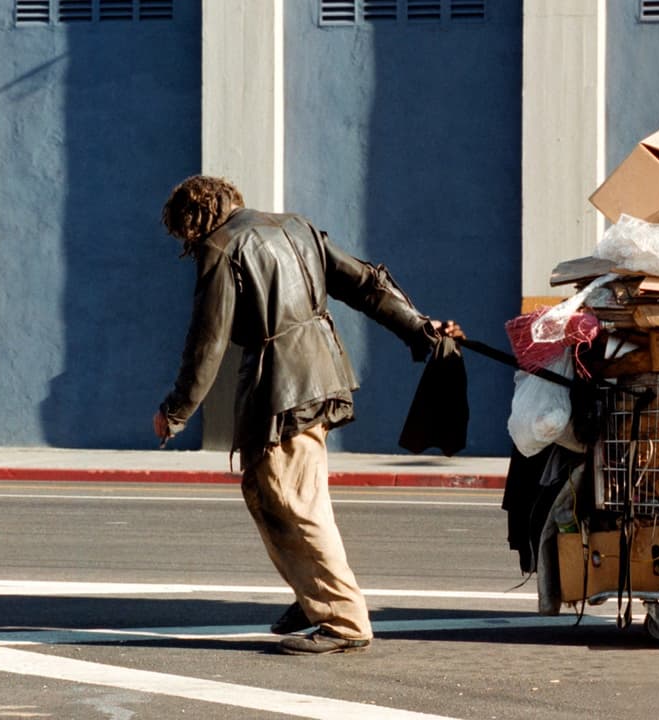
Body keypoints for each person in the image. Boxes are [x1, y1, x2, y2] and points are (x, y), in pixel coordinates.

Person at [151, 175, 464, 655]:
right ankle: (309, 592)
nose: (188, 244)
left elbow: (207, 341)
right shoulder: (297, 227)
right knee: (268, 490)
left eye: (184, 234)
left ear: (193, 219)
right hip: (320, 371)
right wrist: (418, 328)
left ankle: (343, 621)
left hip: (281, 384)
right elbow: (366, 283)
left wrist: (175, 410)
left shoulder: (222, 246)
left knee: (294, 500)